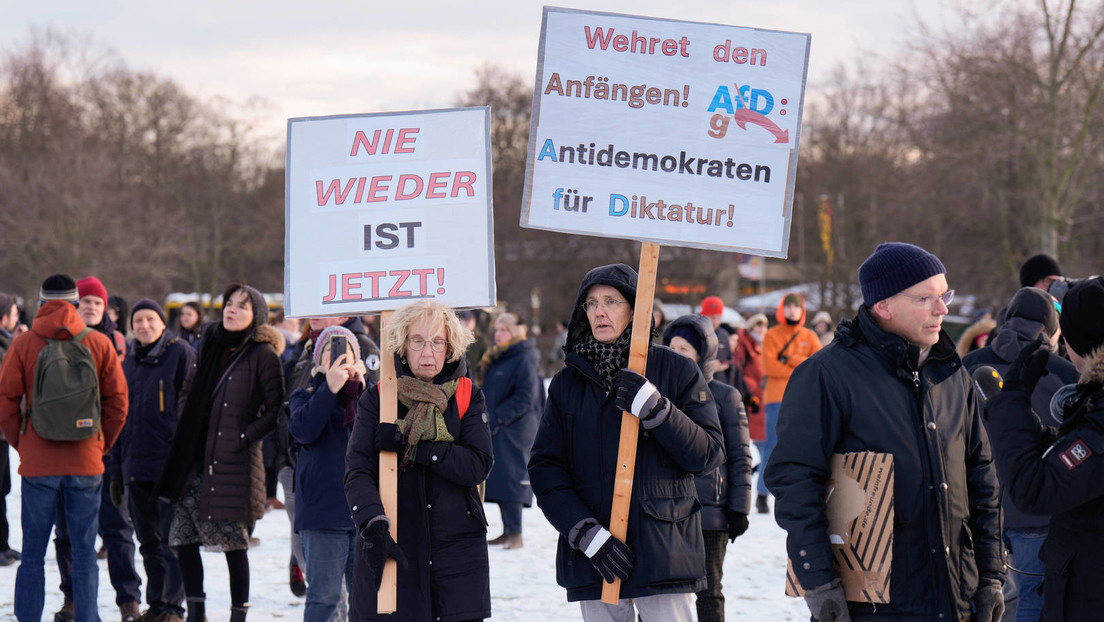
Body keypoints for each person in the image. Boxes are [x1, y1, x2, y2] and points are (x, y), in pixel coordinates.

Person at [765, 242, 1005, 622]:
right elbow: (795, 481)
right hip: (872, 605)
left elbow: (981, 475)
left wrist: (991, 572)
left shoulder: (951, 373)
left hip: (956, 596)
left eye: (945, 295)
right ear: (883, 306)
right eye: (927, 298)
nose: (943, 309)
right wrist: (819, 582)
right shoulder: (827, 376)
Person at [528, 263, 724, 622]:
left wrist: (660, 412)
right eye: (591, 303)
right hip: (596, 558)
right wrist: (583, 533)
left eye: (611, 301)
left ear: (636, 308)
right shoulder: (567, 384)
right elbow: (545, 469)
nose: (599, 311)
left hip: (664, 553)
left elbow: (708, 454)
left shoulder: (676, 370)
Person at [345, 299, 492, 621]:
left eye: (437, 342)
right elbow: (357, 471)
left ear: (450, 345)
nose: (428, 352)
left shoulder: (467, 395)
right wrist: (373, 524)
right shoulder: (379, 398)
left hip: (456, 555)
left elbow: (477, 465)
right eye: (418, 341)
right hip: (395, 544)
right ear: (402, 344)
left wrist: (419, 447)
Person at [0, 274, 129, 622]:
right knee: (85, 554)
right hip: (86, 462)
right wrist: (99, 445)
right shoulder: (98, 343)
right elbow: (118, 403)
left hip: (38, 463)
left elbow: (6, 402)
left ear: (41, 303)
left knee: (32, 555)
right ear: (75, 303)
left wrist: (24, 444)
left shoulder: (23, 345)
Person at [156, 283, 285, 622]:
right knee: (182, 538)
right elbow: (187, 390)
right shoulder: (207, 344)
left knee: (233, 544)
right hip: (194, 459)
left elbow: (275, 411)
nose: (232, 309)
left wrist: (243, 436)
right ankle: (196, 613)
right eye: (230, 303)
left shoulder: (263, 354)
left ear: (255, 315)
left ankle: (237, 615)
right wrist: (188, 424)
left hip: (234, 463)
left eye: (242, 306)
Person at [984, 276, 1104, 622]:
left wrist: (1013, 400)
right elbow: (1072, 459)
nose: (1063, 346)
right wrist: (1033, 428)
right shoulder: (1093, 401)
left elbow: (1035, 488)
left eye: (1067, 338)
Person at [963, 287, 1078, 622]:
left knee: (978, 600)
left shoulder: (966, 366)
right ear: (1052, 328)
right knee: (1033, 601)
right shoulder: (1062, 373)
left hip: (976, 506)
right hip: (1035, 510)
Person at [54, 276, 142, 622]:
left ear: (108, 310)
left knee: (117, 530)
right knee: (67, 534)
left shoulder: (117, 345)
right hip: (63, 454)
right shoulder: (57, 341)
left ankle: (128, 601)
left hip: (107, 453)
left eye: (97, 302)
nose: (90, 306)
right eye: (85, 300)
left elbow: (121, 403)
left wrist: (108, 445)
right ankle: (72, 598)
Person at [661, 314, 751, 622]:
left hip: (710, 515)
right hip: (663, 513)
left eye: (684, 349)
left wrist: (739, 509)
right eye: (671, 347)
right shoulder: (657, 397)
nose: (676, 354)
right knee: (659, 593)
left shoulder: (726, 396)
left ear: (703, 354)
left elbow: (740, 457)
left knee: (709, 591)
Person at [116, 299, 196, 622]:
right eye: (138, 320)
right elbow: (120, 418)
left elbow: (191, 413)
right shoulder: (129, 362)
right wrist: (115, 471)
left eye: (151, 319)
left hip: (169, 468)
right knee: (147, 541)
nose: (144, 325)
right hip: (135, 466)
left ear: (163, 323)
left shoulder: (181, 354)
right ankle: (157, 604)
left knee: (172, 542)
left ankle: (173, 608)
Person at [289, 326, 367, 622]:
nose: (337, 355)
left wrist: (361, 390)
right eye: (329, 349)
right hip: (322, 514)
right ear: (318, 358)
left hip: (364, 512)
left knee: (367, 597)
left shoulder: (368, 398)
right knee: (323, 598)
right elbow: (304, 431)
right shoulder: (304, 395)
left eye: (345, 348)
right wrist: (329, 389)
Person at [480, 312, 543, 550]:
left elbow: (526, 396)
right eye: (496, 330)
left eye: (504, 330)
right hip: (501, 428)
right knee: (501, 481)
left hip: (515, 429)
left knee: (512, 480)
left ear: (516, 332)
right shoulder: (500, 357)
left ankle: (516, 533)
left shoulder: (523, 358)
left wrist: (499, 417)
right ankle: (507, 532)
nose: (498, 334)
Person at [758, 293, 820, 514]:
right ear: (781, 309)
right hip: (776, 398)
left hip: (803, 399)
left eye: (796, 306)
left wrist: (791, 360)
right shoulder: (771, 335)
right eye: (788, 306)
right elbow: (769, 366)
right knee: (772, 447)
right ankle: (762, 494)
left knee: (803, 448)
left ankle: (796, 491)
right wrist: (800, 364)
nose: (792, 310)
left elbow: (817, 365)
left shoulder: (809, 336)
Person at [733, 313, 768, 512]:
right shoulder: (745, 346)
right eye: (757, 326)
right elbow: (743, 374)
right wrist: (752, 392)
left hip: (766, 400)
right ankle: (760, 494)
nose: (761, 330)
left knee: (767, 449)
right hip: (753, 401)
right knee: (763, 448)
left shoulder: (765, 345)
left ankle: (761, 487)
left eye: (763, 326)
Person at [0, 292, 21, 566]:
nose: (17, 320)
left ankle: (3, 544)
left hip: (2, 433)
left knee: (2, 489)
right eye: (15, 314)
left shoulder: (7, 341)